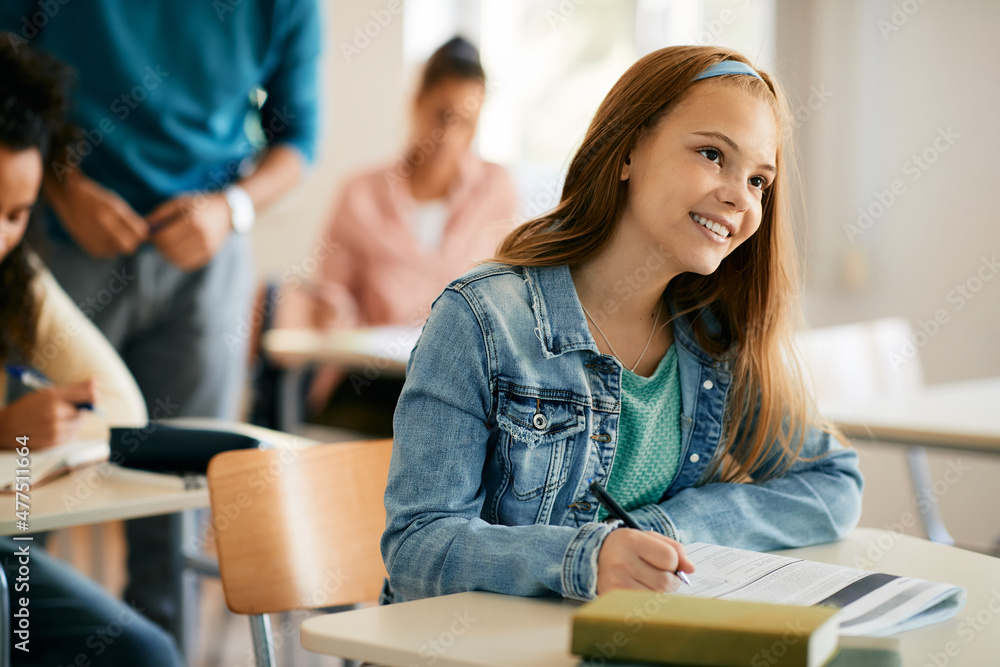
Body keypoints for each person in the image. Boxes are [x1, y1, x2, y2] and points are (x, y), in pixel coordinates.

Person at [381, 46, 864, 604]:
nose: (739, 196)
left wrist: (665, 526)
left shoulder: (714, 338)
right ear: (628, 150)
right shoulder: (482, 321)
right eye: (712, 154)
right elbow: (417, 548)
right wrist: (585, 559)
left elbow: (835, 485)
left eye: (759, 180)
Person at [0, 0, 322, 638]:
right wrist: (57, 188)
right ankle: (27, 632)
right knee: (29, 492)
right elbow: (9, 78)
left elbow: (299, 139)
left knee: (173, 504)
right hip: (65, 236)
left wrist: (230, 208)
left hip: (206, 255)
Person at [0, 35, 183, 666]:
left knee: (146, 654)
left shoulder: (15, 280)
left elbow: (118, 407)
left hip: (4, 559)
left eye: (16, 214)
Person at [297, 36, 517, 434]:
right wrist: (335, 314)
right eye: (442, 116)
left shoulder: (495, 190)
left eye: (466, 123)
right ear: (417, 103)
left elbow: (507, 292)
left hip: (459, 386)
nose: (450, 137)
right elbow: (332, 291)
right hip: (369, 382)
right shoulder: (360, 193)